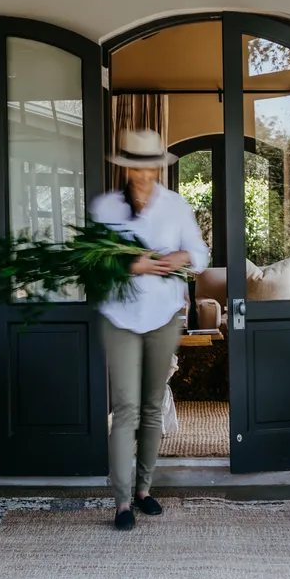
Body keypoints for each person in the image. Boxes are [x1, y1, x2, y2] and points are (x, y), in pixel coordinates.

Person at [90, 129, 209, 529]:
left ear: (158, 167)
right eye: (135, 167)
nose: (142, 174)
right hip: (119, 318)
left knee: (152, 406)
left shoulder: (176, 206)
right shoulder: (106, 207)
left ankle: (144, 490)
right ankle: (122, 502)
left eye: (149, 167)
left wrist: (182, 255)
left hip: (164, 316)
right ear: (125, 168)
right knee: (125, 409)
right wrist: (131, 264)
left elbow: (201, 253)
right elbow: (91, 263)